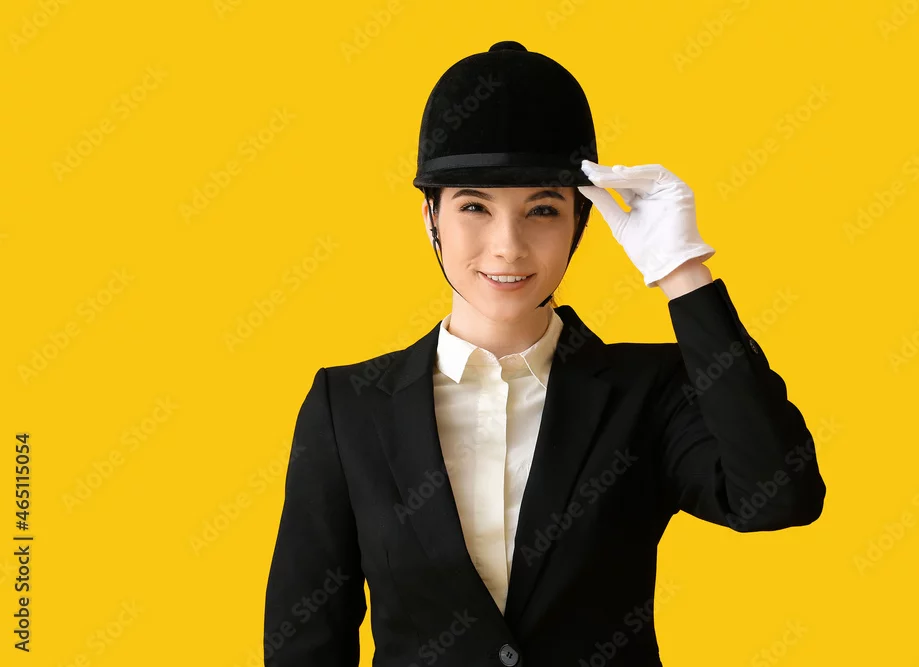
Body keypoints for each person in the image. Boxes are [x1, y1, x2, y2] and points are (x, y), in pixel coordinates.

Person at [263, 41, 825, 667]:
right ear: (431, 218)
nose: (508, 246)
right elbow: (305, 642)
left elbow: (777, 496)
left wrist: (680, 269)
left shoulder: (649, 391)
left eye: (542, 210)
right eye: (474, 207)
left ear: (581, 222)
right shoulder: (348, 408)